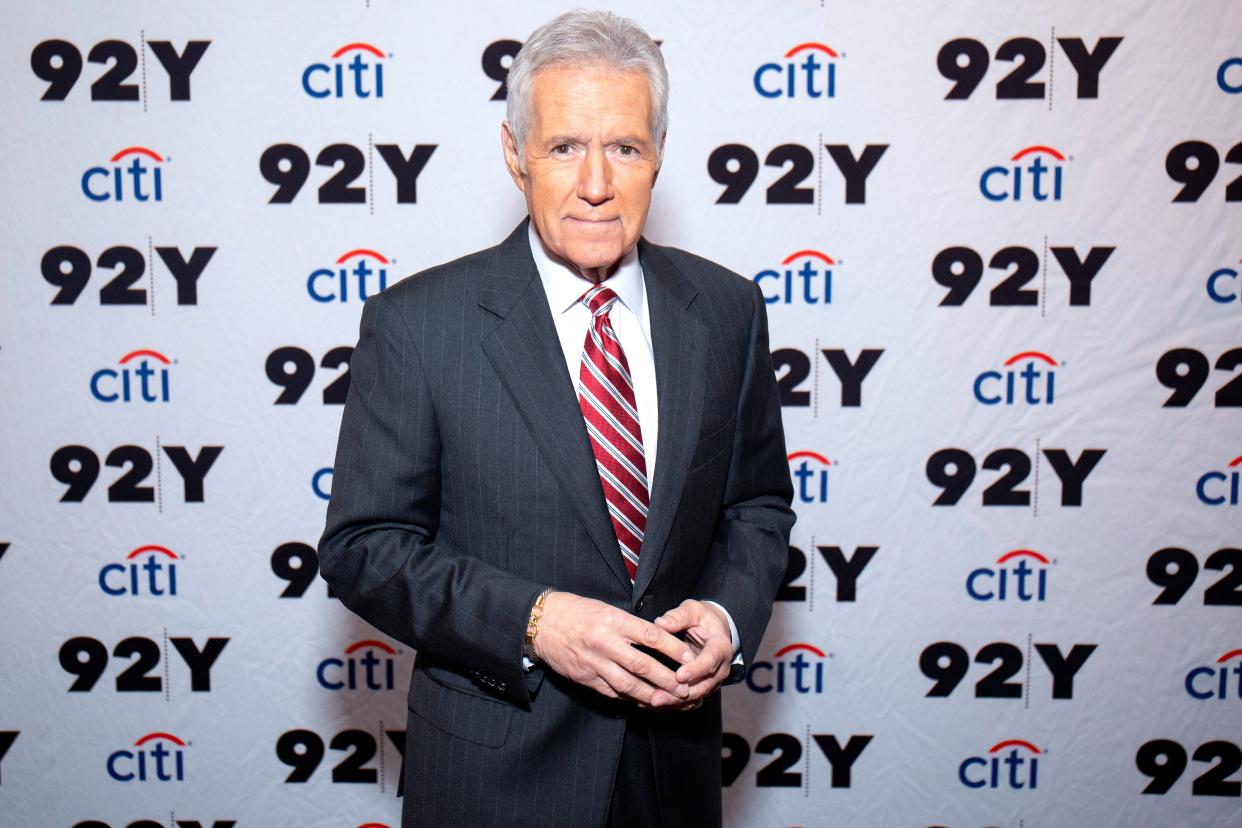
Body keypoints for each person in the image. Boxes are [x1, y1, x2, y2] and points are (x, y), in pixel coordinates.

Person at [318, 10, 794, 827]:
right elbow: (365, 551)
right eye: (565, 147)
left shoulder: (726, 310)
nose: (597, 183)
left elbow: (757, 507)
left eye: (626, 148)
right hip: (494, 781)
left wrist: (725, 615)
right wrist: (535, 622)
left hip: (673, 774)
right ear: (515, 155)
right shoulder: (421, 324)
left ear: (659, 155)